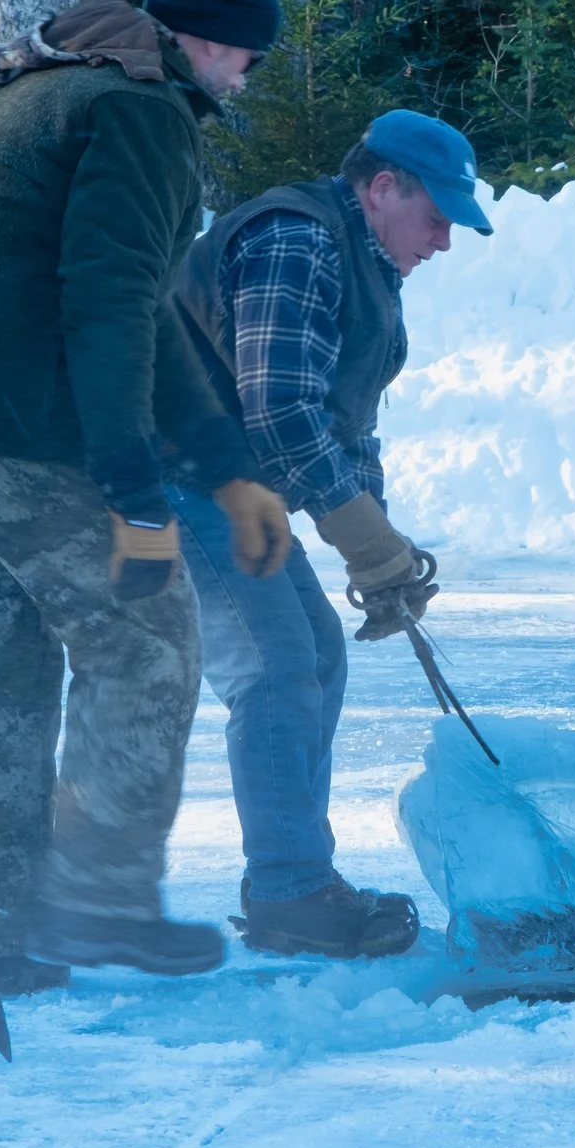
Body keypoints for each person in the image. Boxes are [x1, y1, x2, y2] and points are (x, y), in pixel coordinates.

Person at [0, 0, 295, 996]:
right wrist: (136, 489)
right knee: (146, 645)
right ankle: (96, 906)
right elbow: (105, 311)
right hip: (2, 409)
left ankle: (3, 937)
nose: (245, 80)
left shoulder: (62, 85)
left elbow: (140, 309)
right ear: (210, 40)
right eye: (248, 58)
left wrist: (227, 464)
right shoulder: (141, 110)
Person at [170, 111, 493, 958]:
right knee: (273, 664)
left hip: (227, 476)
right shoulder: (298, 240)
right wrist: (365, 542)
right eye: (437, 217)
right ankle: (288, 890)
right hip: (169, 464)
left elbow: (342, 421)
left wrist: (376, 537)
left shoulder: (367, 264)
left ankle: (293, 878)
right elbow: (278, 407)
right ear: (382, 188)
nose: (444, 242)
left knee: (314, 651)